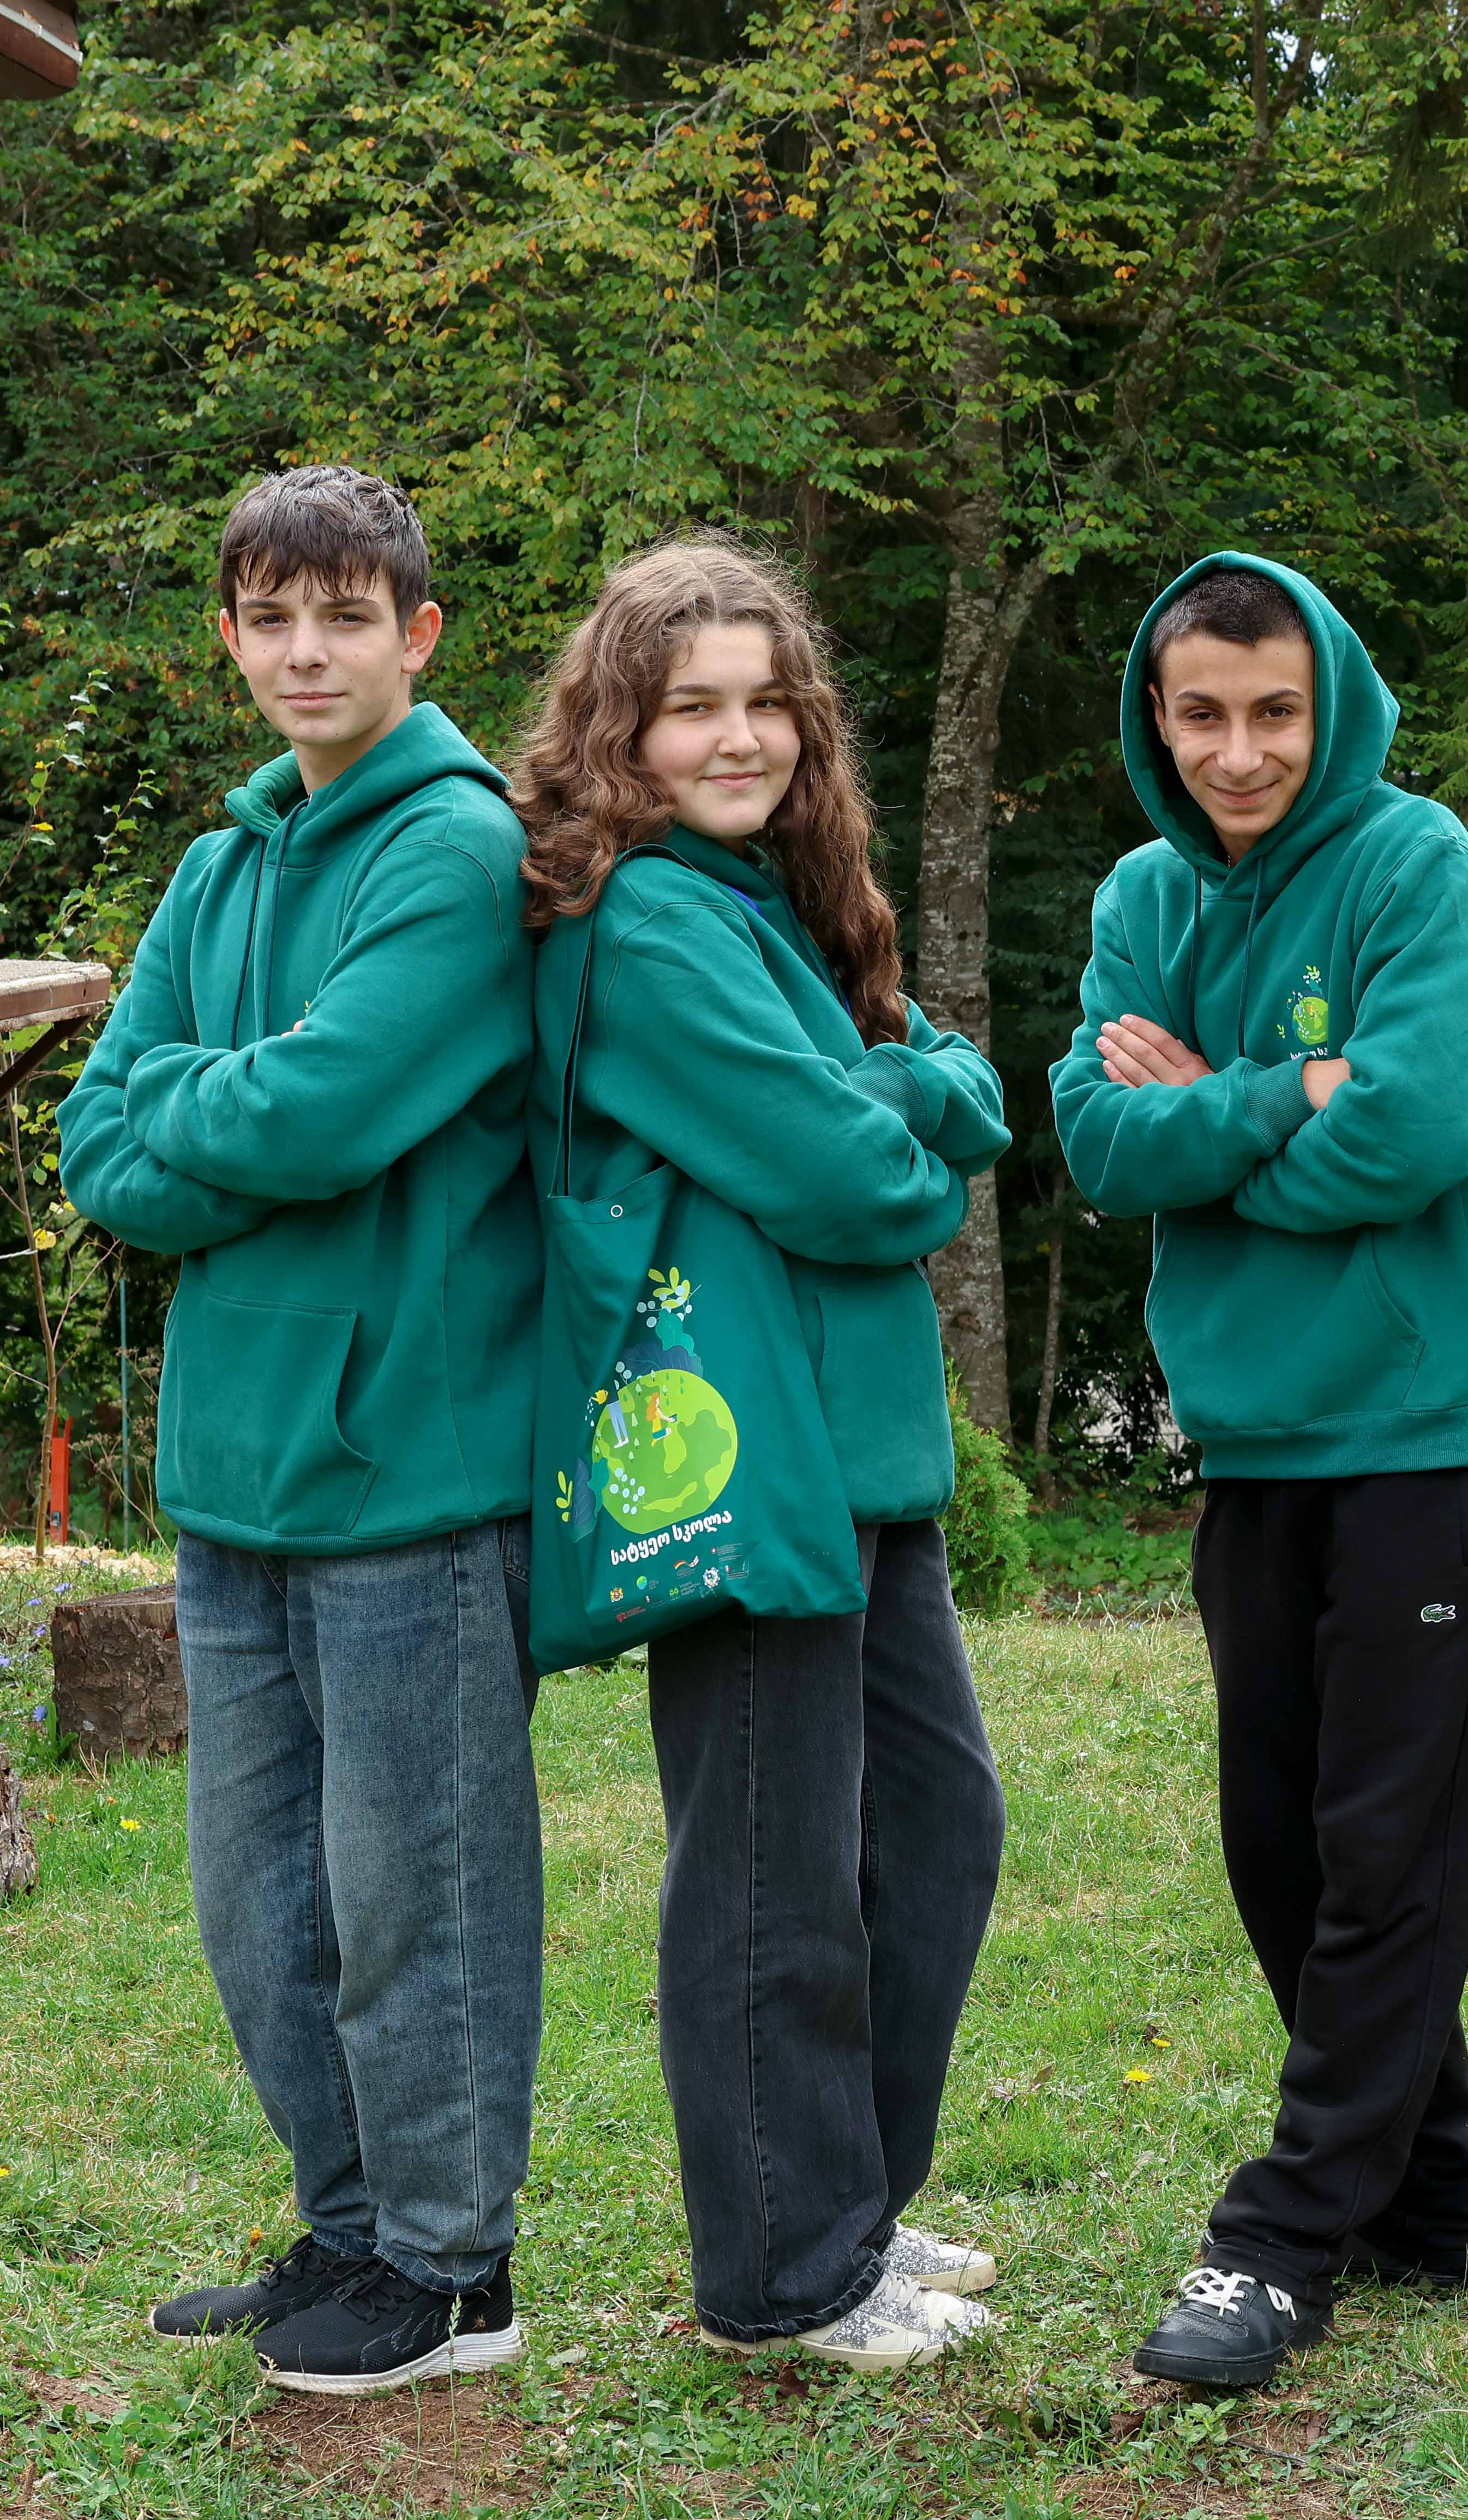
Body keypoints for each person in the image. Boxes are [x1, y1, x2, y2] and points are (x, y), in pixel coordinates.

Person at [61, 466, 544, 2392]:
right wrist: (223, 1110)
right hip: (235, 1469)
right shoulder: (220, 866)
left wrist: (203, 1106)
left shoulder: (459, 848)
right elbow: (102, 1144)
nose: (305, 651)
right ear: (231, 637)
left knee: (417, 1893)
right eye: (270, 617)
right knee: (260, 1906)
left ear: (417, 635)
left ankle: (451, 2269)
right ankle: (348, 2226)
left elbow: (323, 1111)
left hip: (411, 1464)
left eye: (344, 615)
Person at [509, 536, 1014, 2373]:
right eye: (690, 707)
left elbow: (950, 1092)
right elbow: (870, 1180)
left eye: (766, 702)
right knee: (766, 1867)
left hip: (851, 1449)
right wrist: (902, 1100)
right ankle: (782, 2272)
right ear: (617, 732)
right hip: (750, 1459)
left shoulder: (770, 903)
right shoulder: (653, 921)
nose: (739, 738)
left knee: (930, 1826)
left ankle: (844, 2197)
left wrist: (898, 1087)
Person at [1050, 554, 1468, 2390]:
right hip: (1251, 1437)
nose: (1239, 751)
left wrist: (1211, 1111)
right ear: (1156, 718)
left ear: (1327, 707)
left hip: (1418, 1427)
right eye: (1202, 714)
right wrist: (1281, 1087)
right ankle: (1430, 2191)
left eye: (1273, 712)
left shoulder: (1408, 861)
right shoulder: (1142, 895)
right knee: (1281, 1840)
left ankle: (1284, 2235)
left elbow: (1409, 1133)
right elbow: (1098, 1139)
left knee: (1385, 1845)